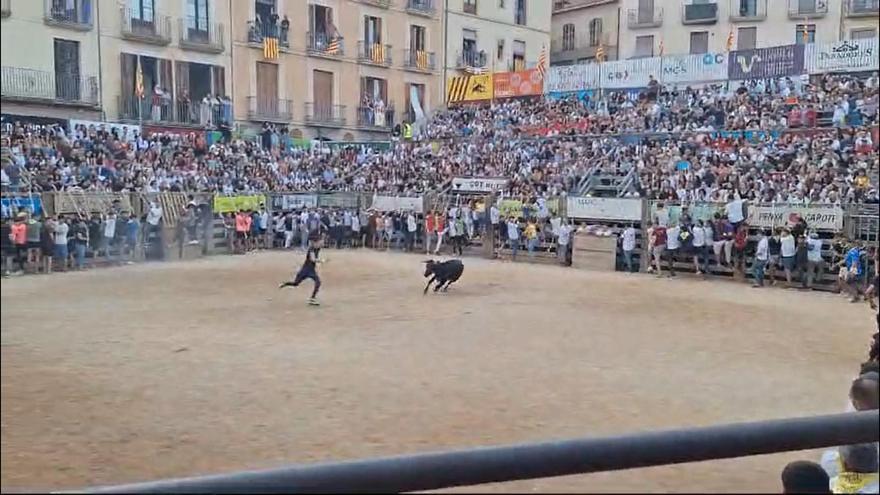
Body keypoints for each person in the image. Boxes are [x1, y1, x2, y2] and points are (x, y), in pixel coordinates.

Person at [279, 234, 324, 306]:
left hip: (311, 270)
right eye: (320, 242)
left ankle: (312, 298)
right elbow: (312, 259)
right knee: (295, 283)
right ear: (315, 242)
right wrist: (321, 260)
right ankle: (285, 284)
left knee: (318, 282)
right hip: (305, 270)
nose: (322, 243)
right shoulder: (311, 249)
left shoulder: (317, 248)